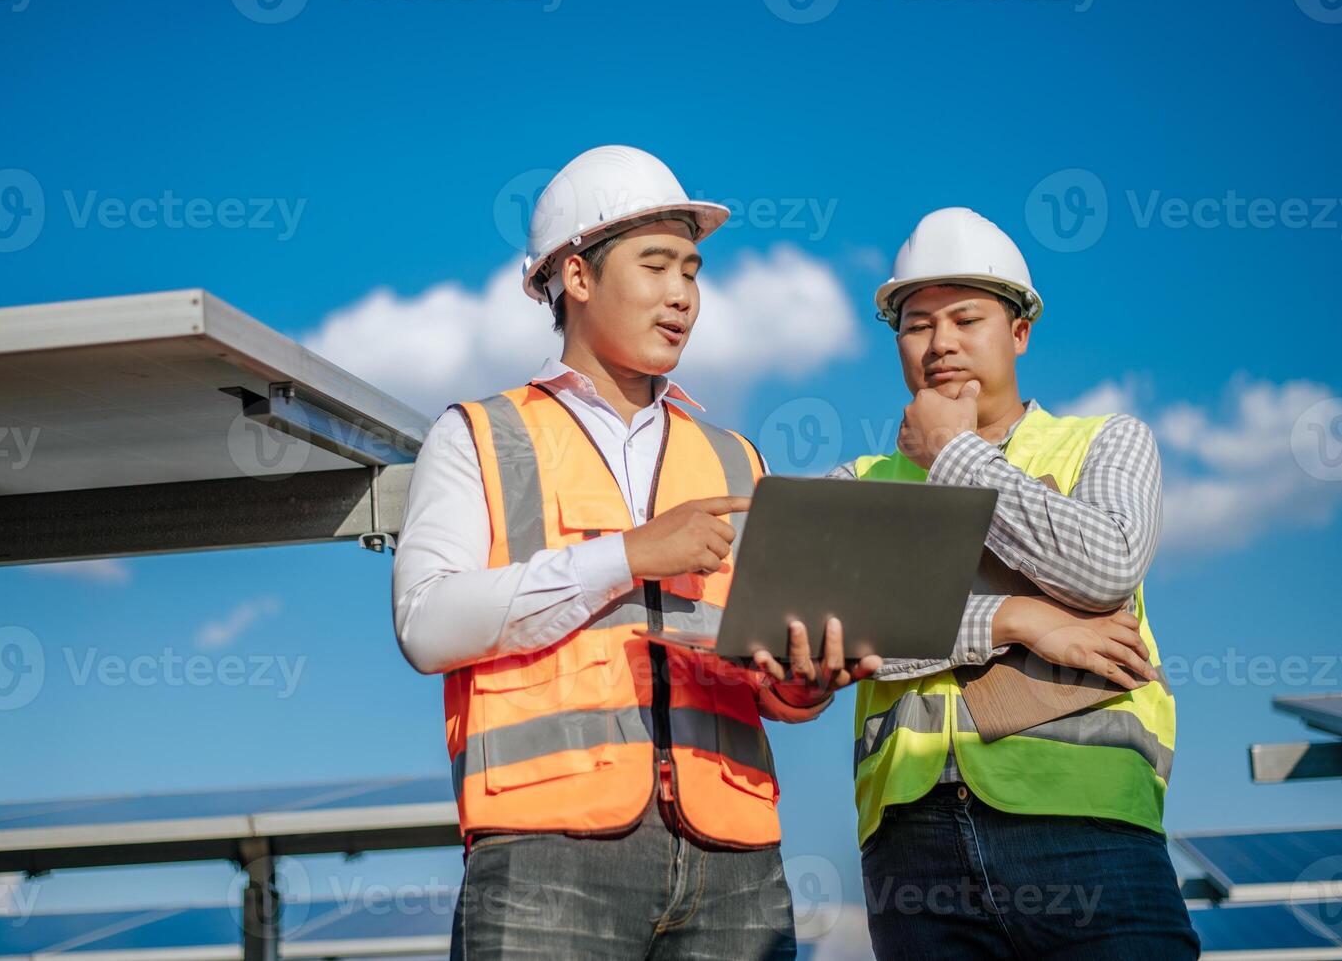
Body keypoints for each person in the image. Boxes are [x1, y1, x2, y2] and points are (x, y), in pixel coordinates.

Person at [392, 145, 879, 959]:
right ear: (576, 277)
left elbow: (759, 677)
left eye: (691, 271)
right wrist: (625, 556)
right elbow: (427, 623)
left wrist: (802, 687)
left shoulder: (735, 459)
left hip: (735, 860)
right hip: (545, 852)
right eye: (655, 267)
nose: (682, 294)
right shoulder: (479, 436)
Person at [831, 207, 1200, 958]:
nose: (940, 344)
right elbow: (829, 629)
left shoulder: (1107, 441)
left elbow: (1103, 568)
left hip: (1087, 828)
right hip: (912, 849)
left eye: (966, 318)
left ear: (1019, 333)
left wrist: (954, 456)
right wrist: (1011, 619)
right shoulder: (861, 483)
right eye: (915, 324)